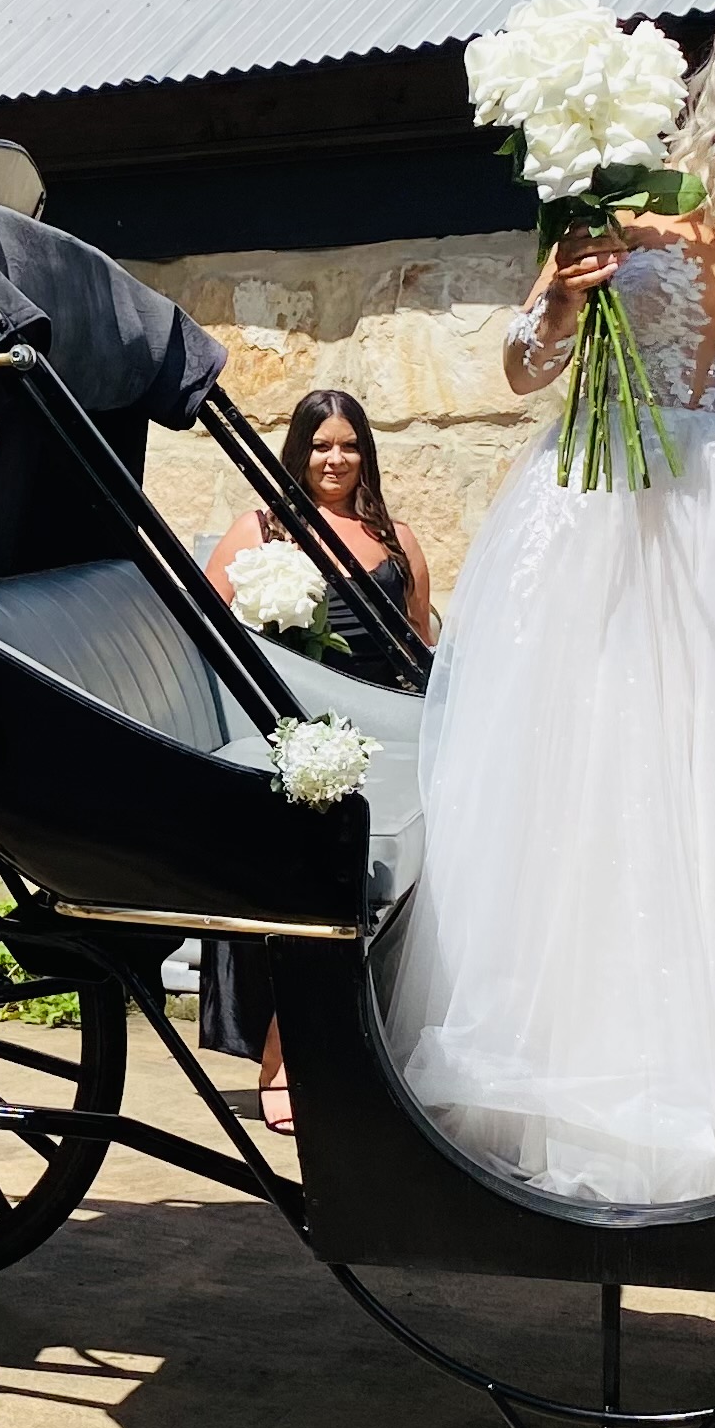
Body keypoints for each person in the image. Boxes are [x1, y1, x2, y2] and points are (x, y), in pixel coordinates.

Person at [384, 0, 715, 1211]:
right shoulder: (621, 196)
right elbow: (524, 368)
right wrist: (560, 299)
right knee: (591, 782)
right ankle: (573, 1076)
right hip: (609, 517)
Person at [196, 389, 438, 1130]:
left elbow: (419, 641)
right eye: (321, 446)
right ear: (298, 452)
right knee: (311, 900)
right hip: (303, 729)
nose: (335, 460)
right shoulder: (262, 529)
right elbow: (210, 632)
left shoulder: (396, 538)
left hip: (389, 731)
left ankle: (369, 1052)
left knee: (387, 897)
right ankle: (281, 1055)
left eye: (350, 445)